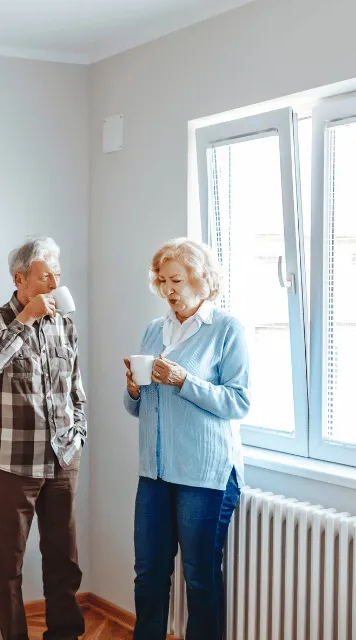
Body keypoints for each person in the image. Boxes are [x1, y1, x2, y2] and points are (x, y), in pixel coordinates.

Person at [123, 238, 250, 640]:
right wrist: (132, 391)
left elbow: (238, 401)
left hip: (206, 476)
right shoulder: (152, 331)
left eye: (175, 279)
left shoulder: (225, 329)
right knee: (148, 576)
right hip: (155, 473)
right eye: (161, 281)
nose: (168, 289)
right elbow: (138, 409)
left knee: (200, 580)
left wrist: (184, 380)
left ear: (201, 277)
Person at [0, 237, 87, 640]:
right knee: (9, 565)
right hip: (9, 465)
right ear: (20, 279)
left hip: (60, 459)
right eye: (45, 276)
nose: (54, 283)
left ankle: (65, 634)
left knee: (64, 558)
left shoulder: (65, 326)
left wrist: (78, 434)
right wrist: (24, 320)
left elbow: (75, 387)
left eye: (57, 274)